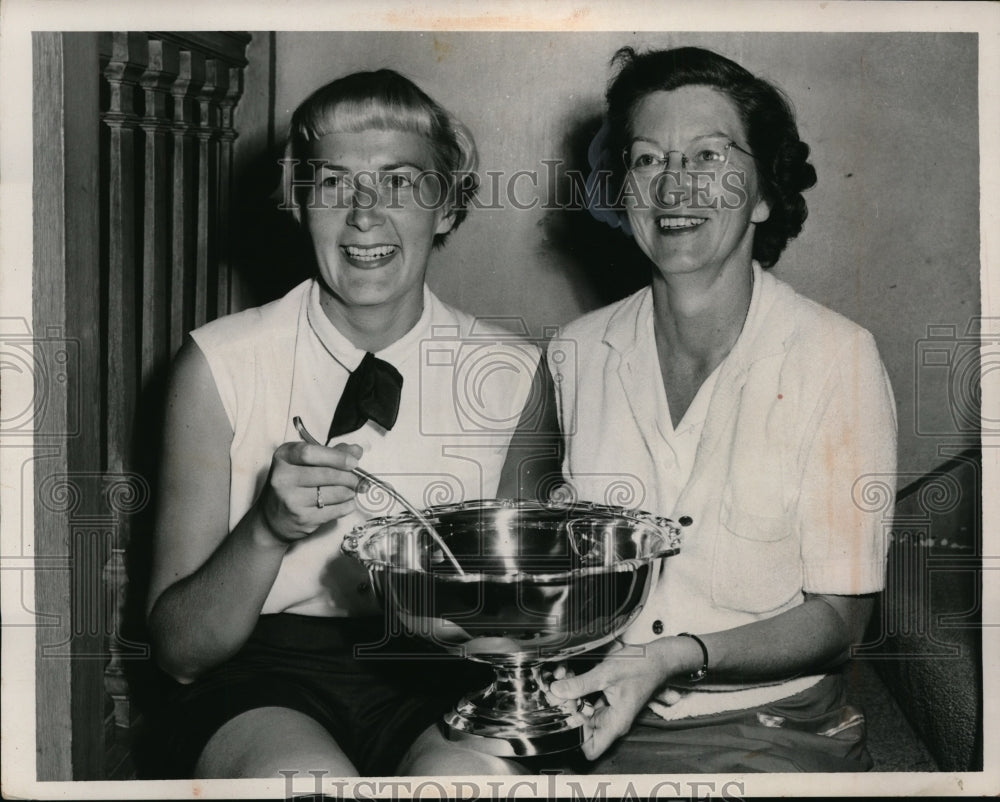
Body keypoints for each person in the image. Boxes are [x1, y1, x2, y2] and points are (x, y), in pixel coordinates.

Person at [146, 69, 556, 779]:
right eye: (333, 182)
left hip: (443, 673)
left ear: (449, 207)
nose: (365, 213)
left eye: (400, 182)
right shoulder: (217, 362)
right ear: (299, 203)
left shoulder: (515, 373)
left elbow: (518, 618)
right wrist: (268, 529)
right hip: (262, 681)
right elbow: (180, 652)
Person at [541, 46, 898, 772]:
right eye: (646, 160)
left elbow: (839, 621)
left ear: (764, 193)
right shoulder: (574, 353)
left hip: (769, 732)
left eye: (708, 156)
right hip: (590, 718)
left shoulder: (838, 357)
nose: (675, 185)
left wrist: (675, 658)